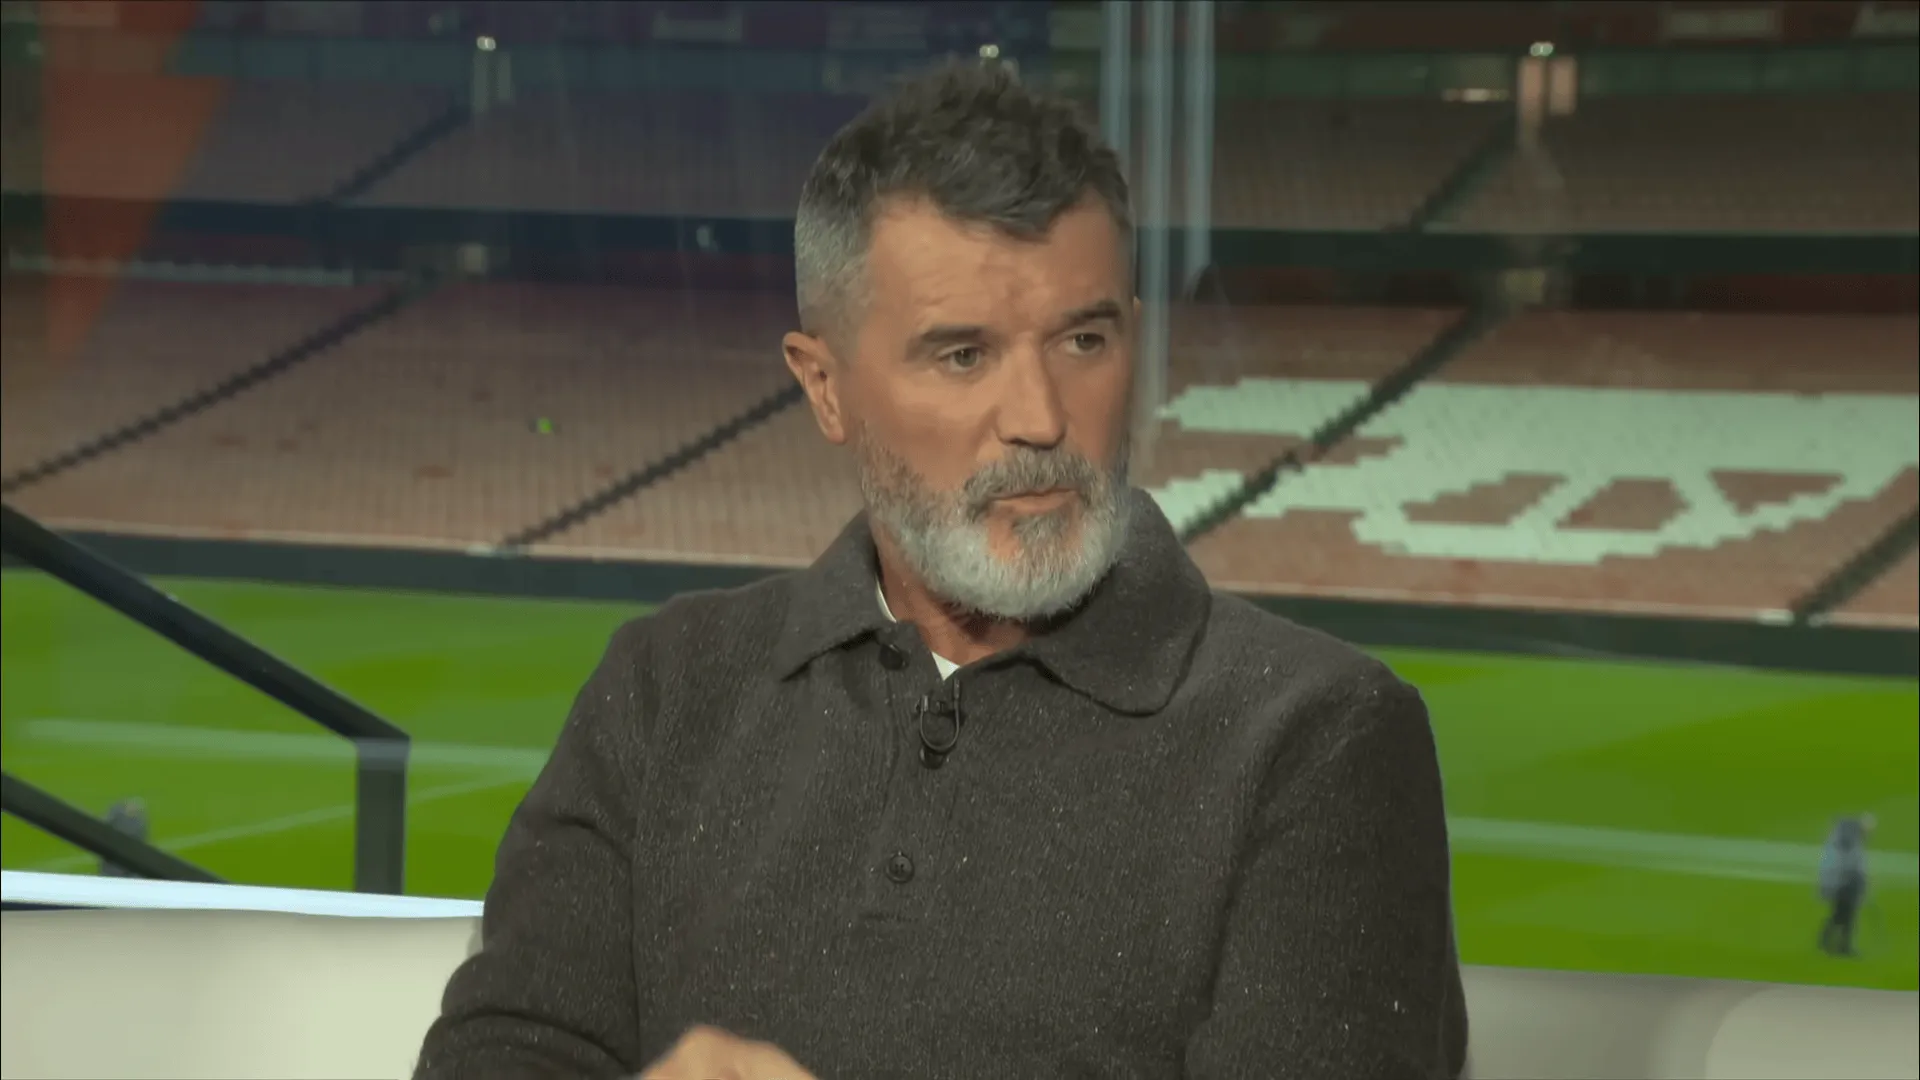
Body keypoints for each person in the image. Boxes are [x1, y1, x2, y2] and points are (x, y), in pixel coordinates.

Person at [416, 61, 1467, 1080]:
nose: (1041, 419)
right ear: (824, 388)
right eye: (964, 355)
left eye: (1084, 341)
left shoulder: (1322, 738)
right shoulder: (663, 688)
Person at [1818, 813, 1875, 957]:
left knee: (1842, 916)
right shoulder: (1849, 841)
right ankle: (1839, 945)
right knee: (1844, 916)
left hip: (1844, 882)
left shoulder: (1846, 839)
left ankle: (1831, 942)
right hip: (1845, 883)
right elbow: (1850, 864)